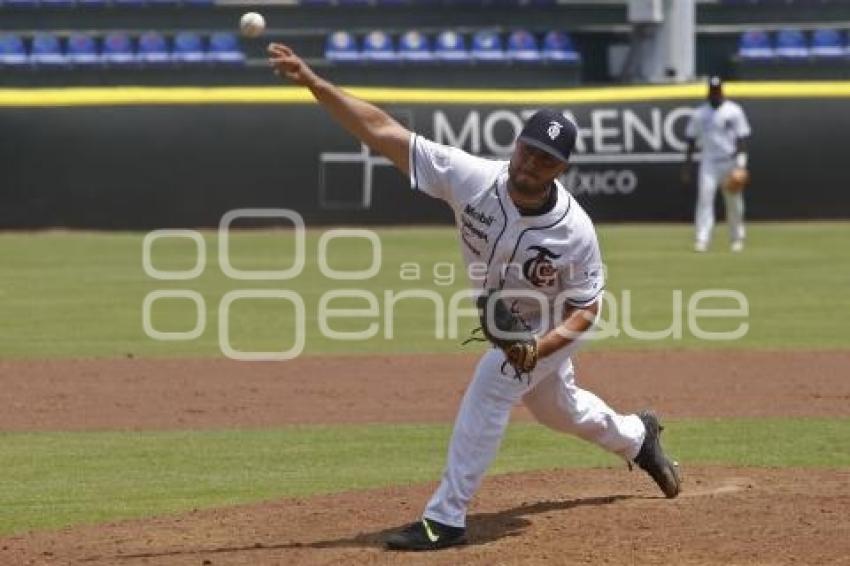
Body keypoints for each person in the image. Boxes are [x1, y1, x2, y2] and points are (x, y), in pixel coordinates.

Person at [268, 42, 681, 552]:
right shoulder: (471, 178)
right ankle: (639, 437)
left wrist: (538, 350)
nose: (531, 163)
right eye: (529, 149)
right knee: (559, 411)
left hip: (550, 325)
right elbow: (381, 130)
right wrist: (314, 82)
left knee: (493, 382)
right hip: (506, 320)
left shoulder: (574, 231)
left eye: (546, 159)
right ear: (517, 143)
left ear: (561, 169)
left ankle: (446, 518)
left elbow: (587, 308)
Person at [682, 76, 752, 253]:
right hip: (709, 162)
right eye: (712, 90)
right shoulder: (700, 114)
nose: (715, 93)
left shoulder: (734, 111)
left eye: (717, 90)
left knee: (734, 202)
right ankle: (702, 239)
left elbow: (742, 138)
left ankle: (737, 238)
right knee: (705, 200)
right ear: (708, 92)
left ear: (722, 91)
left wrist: (741, 165)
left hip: (730, 161)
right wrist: (687, 166)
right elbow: (691, 140)